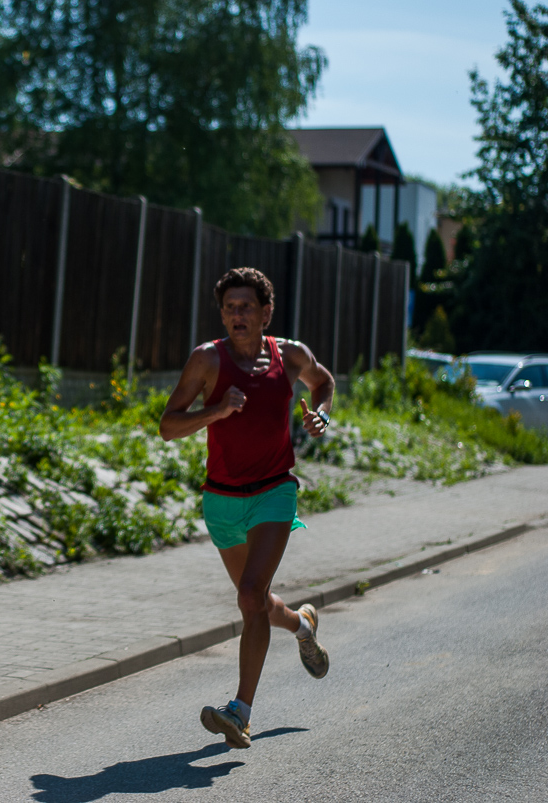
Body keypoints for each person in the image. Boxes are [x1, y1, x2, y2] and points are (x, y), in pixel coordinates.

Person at [159, 267, 332, 750]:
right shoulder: (207, 360)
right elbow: (168, 426)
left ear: (266, 313)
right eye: (230, 308)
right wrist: (216, 410)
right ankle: (302, 624)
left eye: (247, 307)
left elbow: (323, 382)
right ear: (222, 314)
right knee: (255, 600)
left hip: (274, 490)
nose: (238, 315)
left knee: (251, 593)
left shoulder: (290, 355)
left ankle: (240, 711)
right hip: (221, 499)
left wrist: (322, 414)